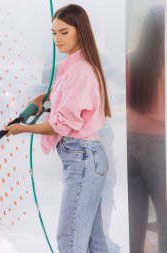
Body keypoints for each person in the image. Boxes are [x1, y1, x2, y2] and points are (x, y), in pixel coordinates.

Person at [4, 4, 111, 252]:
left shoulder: (80, 71)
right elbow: (62, 96)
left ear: (79, 31)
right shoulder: (74, 66)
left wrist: (24, 129)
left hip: (83, 158)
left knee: (70, 241)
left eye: (64, 32)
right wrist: (43, 98)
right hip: (85, 158)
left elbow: (61, 124)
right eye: (54, 33)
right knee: (94, 243)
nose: (57, 39)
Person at [127, 5, 166, 253]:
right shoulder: (163, 63)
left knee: (136, 219)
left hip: (130, 143)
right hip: (158, 146)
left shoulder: (131, 59)